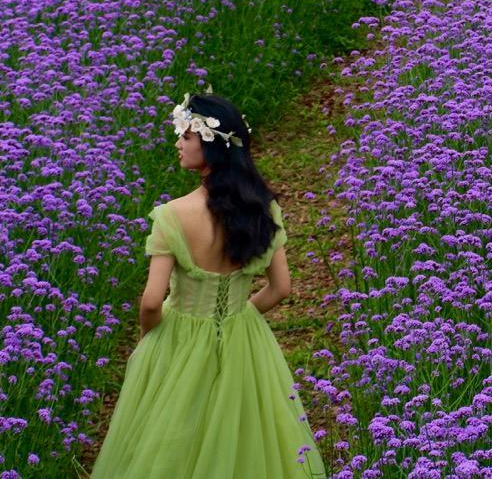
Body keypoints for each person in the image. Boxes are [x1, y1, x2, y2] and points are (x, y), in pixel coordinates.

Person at [91, 89, 328, 478]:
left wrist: (151, 339)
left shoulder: (172, 216)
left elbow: (151, 301)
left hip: (180, 335)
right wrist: (242, 315)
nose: (178, 143)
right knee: (245, 436)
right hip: (242, 335)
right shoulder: (263, 209)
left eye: (186, 135)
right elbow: (281, 288)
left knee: (170, 435)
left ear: (212, 146)